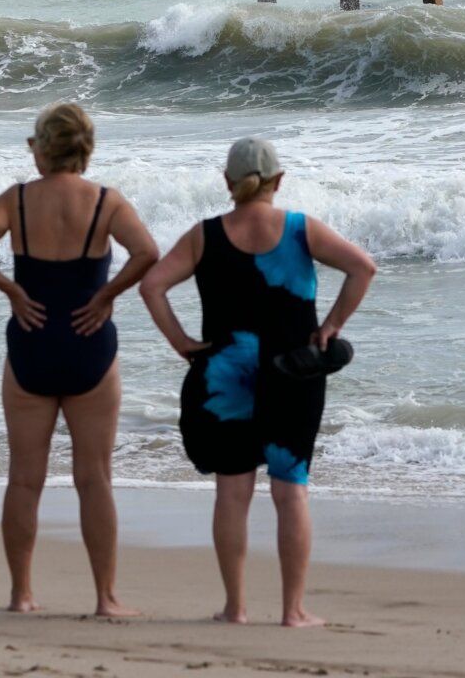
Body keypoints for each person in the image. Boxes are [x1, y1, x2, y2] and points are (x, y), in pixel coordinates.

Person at [139, 137, 376, 627]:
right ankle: (293, 611)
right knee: (291, 491)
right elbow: (363, 267)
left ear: (228, 183)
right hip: (294, 373)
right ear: (279, 180)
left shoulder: (204, 235)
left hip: (227, 374)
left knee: (232, 492)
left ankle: (236, 608)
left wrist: (181, 341)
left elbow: (152, 285)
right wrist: (332, 325)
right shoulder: (298, 228)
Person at [0, 103, 160, 617]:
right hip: (90, 346)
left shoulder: (19, 201)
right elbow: (147, 252)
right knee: (95, 478)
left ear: (40, 149)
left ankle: (22, 596)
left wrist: (12, 291)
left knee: (24, 478)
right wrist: (107, 295)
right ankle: (106, 599)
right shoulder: (106, 202)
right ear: (85, 150)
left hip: (31, 343)